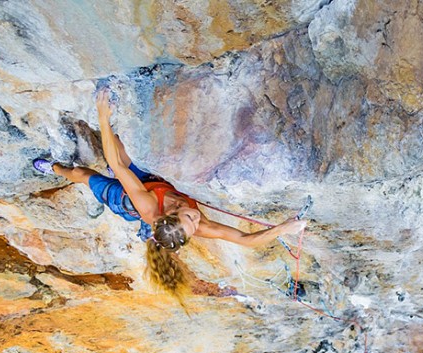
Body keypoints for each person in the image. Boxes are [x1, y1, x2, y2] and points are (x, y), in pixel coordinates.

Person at [33, 89, 306, 298]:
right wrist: (283, 229)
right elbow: (246, 239)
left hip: (128, 203)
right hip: (151, 184)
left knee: (83, 174)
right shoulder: (189, 221)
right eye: (194, 224)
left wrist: (102, 115)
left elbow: (116, 166)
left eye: (192, 220)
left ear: (172, 212)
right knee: (118, 147)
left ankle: (54, 168)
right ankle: (62, 164)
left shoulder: (147, 207)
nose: (199, 220)